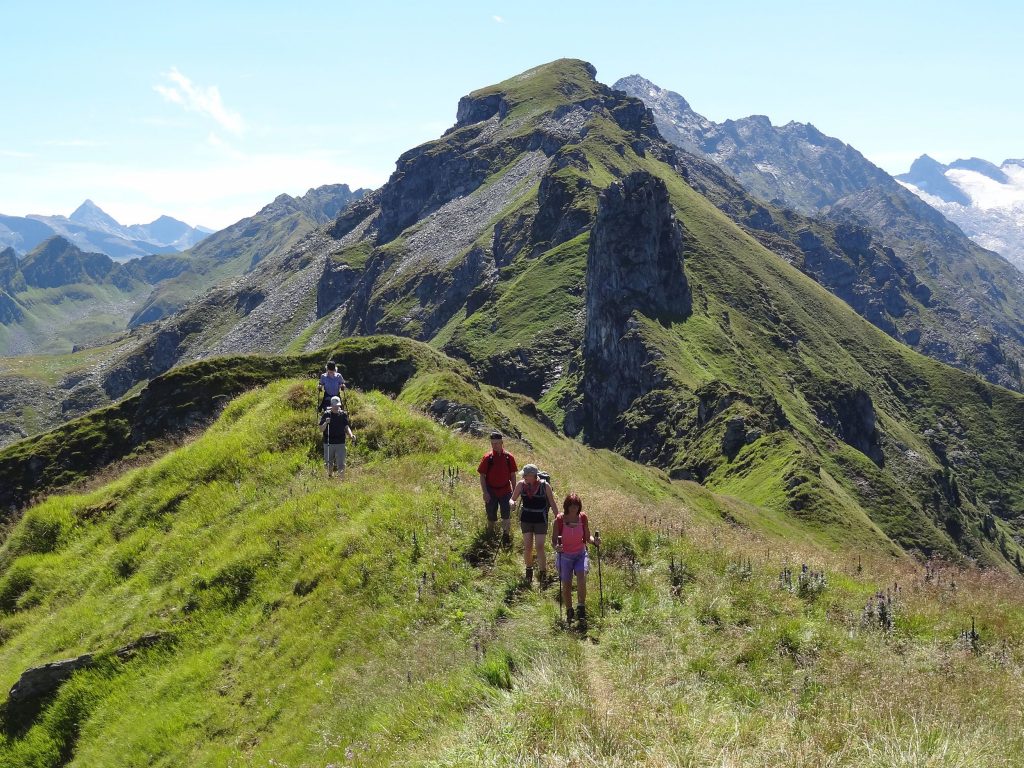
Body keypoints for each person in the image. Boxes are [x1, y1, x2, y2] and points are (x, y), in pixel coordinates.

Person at [553, 493, 597, 626]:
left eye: (576, 506)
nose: (574, 508)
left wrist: (595, 541)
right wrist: (557, 548)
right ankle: (569, 611)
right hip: (564, 556)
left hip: (580, 554)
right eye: (571, 506)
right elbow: (554, 541)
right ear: (567, 506)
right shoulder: (559, 520)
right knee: (566, 584)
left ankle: (581, 608)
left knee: (581, 575)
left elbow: (588, 537)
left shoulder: (582, 518)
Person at [511, 464, 557, 585]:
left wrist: (559, 518)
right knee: (528, 547)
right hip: (526, 518)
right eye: (524, 475)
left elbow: (552, 502)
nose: (524, 477)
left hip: (540, 519)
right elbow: (512, 498)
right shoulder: (521, 484)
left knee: (540, 547)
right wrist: (512, 503)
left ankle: (542, 573)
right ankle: (529, 571)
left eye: (526, 475)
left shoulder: (545, 486)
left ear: (533, 475)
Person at [477, 431, 517, 546]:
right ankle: (490, 535)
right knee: (491, 515)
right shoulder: (487, 458)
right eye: (492, 443)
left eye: (497, 443)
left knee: (506, 515)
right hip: (491, 491)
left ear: (502, 443)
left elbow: (513, 476)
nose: (494, 446)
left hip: (506, 491)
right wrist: (485, 492)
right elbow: (482, 476)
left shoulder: (509, 457)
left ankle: (506, 537)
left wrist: (514, 494)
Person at [319, 396, 354, 478]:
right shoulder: (326, 414)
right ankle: (330, 476)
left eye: (338, 405)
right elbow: (321, 429)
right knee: (328, 463)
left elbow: (346, 426)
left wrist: (351, 435)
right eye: (335, 405)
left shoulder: (343, 414)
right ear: (331, 405)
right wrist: (326, 423)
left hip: (340, 442)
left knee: (341, 463)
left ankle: (341, 479)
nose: (336, 407)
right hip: (329, 442)